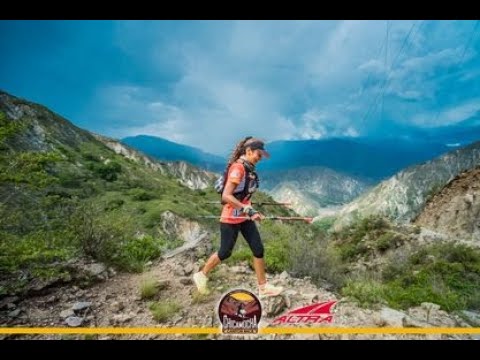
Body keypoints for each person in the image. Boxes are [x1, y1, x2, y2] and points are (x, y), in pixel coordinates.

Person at [193, 136, 284, 299]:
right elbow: (227, 196)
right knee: (225, 252)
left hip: (244, 218)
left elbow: (243, 197)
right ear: (248, 151)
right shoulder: (238, 169)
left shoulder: (248, 168)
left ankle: (263, 287)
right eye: (258, 154)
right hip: (230, 219)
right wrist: (248, 211)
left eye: (262, 155)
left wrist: (252, 211)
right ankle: (202, 274)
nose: (260, 158)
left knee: (258, 248)